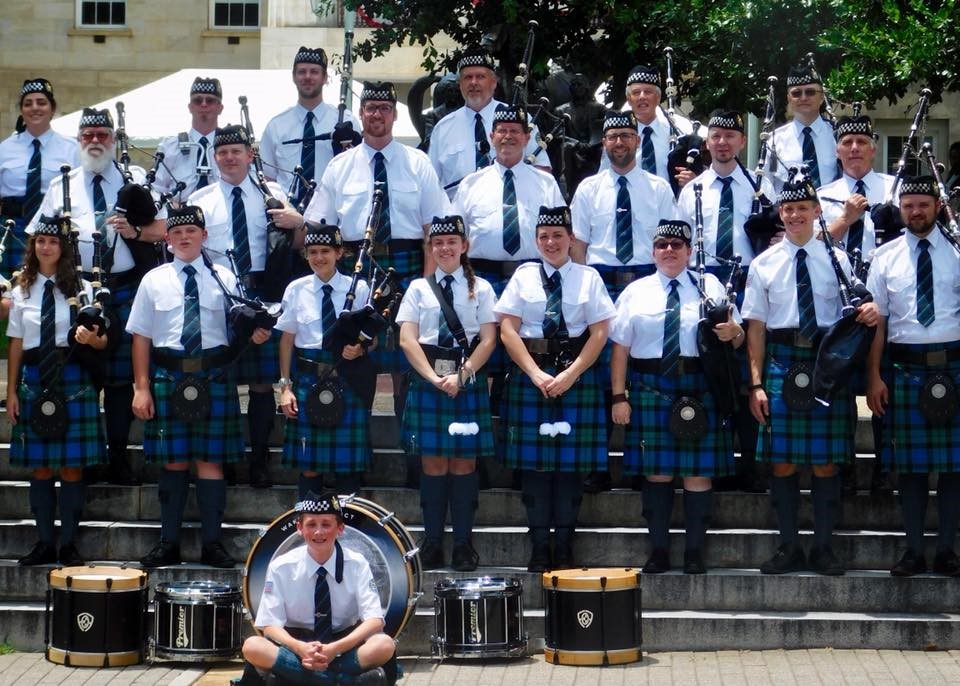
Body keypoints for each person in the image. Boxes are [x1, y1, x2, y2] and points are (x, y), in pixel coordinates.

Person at [742, 172, 879, 576]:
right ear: (781, 215)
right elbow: (755, 330)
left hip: (825, 367)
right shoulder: (763, 264)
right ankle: (787, 547)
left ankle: (823, 548)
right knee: (782, 463)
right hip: (782, 363)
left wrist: (867, 311)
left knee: (826, 464)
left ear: (818, 212)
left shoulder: (838, 261)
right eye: (789, 209)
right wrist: (755, 384)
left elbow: (855, 313)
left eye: (803, 208)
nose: (796, 215)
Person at [28, 107, 167, 486]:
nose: (95, 141)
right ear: (78, 140)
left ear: (113, 138)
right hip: (76, 293)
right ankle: (87, 457)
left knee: (122, 382)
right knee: (86, 374)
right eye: (87, 134)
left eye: (102, 134)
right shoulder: (63, 185)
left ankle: (119, 458)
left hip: (125, 289)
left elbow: (166, 229)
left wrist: (136, 230)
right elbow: (38, 236)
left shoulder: (135, 178)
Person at [128, 205, 272, 569]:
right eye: (177, 233)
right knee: (172, 463)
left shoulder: (224, 277)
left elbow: (240, 326)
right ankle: (168, 543)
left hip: (213, 377)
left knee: (211, 464)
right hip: (168, 376)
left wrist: (256, 331)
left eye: (192, 231)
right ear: (167, 238)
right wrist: (141, 387)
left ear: (205, 236)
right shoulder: (154, 280)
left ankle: (212, 543)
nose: (185, 237)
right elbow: (141, 337)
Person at [305, 81, 449, 442]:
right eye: (370, 108)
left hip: (406, 266)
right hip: (356, 266)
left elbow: (434, 228)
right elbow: (321, 226)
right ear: (361, 114)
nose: (377, 115)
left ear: (394, 115)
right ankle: (357, 439)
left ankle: (408, 442)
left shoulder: (418, 162)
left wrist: (427, 285)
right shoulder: (340, 166)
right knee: (356, 355)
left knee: (407, 359)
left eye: (384, 108)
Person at [610, 219, 744, 574]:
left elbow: (739, 337)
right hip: (651, 388)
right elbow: (620, 350)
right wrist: (618, 396)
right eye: (663, 244)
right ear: (653, 251)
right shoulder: (635, 292)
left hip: (700, 386)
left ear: (689, 251)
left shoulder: (709, 285)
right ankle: (658, 550)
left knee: (698, 475)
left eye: (677, 245)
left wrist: (734, 331)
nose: (670, 250)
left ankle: (695, 552)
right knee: (657, 473)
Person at [495, 205, 616, 572]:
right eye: (544, 236)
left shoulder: (588, 277)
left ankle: (564, 544)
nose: (551, 242)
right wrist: (534, 374)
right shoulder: (523, 276)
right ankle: (538, 546)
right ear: (536, 240)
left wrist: (573, 374)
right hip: (532, 373)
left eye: (558, 236)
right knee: (534, 470)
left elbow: (599, 333)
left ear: (571, 239)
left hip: (574, 373)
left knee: (569, 469)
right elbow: (507, 330)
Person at [190, 123, 306, 488]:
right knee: (218, 381)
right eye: (222, 152)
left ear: (249, 154)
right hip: (219, 293)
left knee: (260, 384)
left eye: (236, 151)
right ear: (215, 157)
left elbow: (297, 240)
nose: (229, 158)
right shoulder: (202, 200)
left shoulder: (272, 193)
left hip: (262, 291)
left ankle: (258, 461)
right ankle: (221, 461)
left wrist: (297, 219)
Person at [571, 108, 675, 494]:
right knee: (600, 378)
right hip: (601, 283)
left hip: (649, 281)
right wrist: (581, 293)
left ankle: (640, 462)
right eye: (612, 137)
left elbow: (672, 241)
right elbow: (579, 245)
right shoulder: (588, 189)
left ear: (638, 140)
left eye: (626, 136)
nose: (619, 142)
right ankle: (597, 464)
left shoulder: (659, 188)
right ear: (604, 142)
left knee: (641, 375)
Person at [674, 110, 776, 493]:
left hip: (751, 282)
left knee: (748, 372)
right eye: (716, 135)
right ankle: (716, 460)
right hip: (705, 285)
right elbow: (680, 241)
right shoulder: (691, 190)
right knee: (714, 371)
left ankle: (751, 464)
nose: (723, 142)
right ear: (707, 142)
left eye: (730, 135)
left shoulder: (761, 187)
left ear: (742, 142)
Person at [865, 176, 960, 577]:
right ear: (900, 209)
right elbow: (878, 324)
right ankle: (913, 550)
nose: (916, 212)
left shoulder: (957, 253)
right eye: (909, 206)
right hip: (903, 368)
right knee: (912, 468)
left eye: (923, 204)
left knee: (956, 469)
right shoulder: (884, 257)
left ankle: (947, 551)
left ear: (937, 206)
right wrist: (873, 377)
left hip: (954, 365)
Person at [396, 215, 497, 571]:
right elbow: (407, 339)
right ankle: (433, 542)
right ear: (431, 248)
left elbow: (489, 339)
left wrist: (463, 375)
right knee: (433, 462)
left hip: (465, 380)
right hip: (429, 380)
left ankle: (464, 545)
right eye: (438, 243)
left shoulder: (481, 288)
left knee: (464, 462)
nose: (444, 248)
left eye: (452, 242)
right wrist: (433, 378)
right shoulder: (418, 289)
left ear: (464, 246)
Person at [8, 214, 106, 566]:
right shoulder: (21, 288)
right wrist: (12, 392)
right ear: (33, 246)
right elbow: (16, 343)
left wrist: (92, 339)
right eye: (40, 241)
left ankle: (69, 544)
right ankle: (44, 542)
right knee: (40, 468)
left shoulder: (82, 288)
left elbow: (102, 340)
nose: (46, 247)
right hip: (34, 379)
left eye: (52, 242)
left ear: (63, 248)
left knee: (71, 468)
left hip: (72, 377)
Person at [235, 490, 397, 686]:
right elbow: (269, 624)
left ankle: (300, 678)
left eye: (326, 524)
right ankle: (340, 681)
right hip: (296, 645)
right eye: (311, 524)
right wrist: (300, 648)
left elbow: (374, 621)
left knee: (384, 644)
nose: (318, 532)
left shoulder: (357, 563)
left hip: (344, 644)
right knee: (253, 646)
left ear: (340, 529)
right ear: (299, 528)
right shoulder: (281, 566)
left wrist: (334, 649)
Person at [275, 222, 373, 501]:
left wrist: (361, 349)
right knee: (309, 466)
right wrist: (285, 387)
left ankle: (351, 532)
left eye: (326, 251)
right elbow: (286, 340)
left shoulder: (359, 288)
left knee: (348, 467)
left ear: (339, 253)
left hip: (347, 377)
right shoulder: (296, 289)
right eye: (313, 252)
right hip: (308, 378)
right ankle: (309, 531)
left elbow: (371, 336)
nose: (319, 257)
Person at [428, 46, 550, 198]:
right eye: (467, 77)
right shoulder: (443, 129)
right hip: (458, 213)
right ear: (460, 85)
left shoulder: (518, 119)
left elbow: (542, 170)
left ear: (493, 82)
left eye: (480, 77)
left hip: (510, 210)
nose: (473, 82)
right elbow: (431, 184)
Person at [260, 46, 361, 206]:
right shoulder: (276, 126)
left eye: (314, 71)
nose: (307, 77)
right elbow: (268, 178)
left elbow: (359, 171)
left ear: (325, 77)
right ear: (293, 77)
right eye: (301, 72)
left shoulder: (347, 122)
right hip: (287, 215)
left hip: (332, 214)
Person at [0, 78, 79, 275]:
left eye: (41, 102)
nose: (35, 108)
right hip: (12, 227)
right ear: (21, 110)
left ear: (52, 109)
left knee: (54, 287)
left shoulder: (72, 149)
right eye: (28, 103)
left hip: (55, 231)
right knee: (9, 290)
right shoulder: (4, 149)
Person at [600, 64, 695, 189]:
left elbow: (694, 172)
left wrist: (693, 179)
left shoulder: (679, 131)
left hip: (669, 205)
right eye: (636, 92)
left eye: (648, 92)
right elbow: (604, 177)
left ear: (658, 97)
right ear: (629, 99)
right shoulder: (617, 138)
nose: (642, 97)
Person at [820, 114, 895, 259]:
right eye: (847, 143)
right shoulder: (822, 196)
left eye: (861, 142)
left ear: (873, 150)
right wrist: (844, 220)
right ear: (837, 151)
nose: (854, 148)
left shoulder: (895, 189)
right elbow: (814, 245)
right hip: (837, 277)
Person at [152, 77, 224, 203]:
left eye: (210, 100)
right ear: (190, 107)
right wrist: (171, 207)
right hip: (180, 215)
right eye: (197, 100)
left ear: (220, 108)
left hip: (222, 216)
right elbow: (155, 188)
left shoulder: (230, 148)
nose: (203, 104)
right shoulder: (170, 147)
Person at [769, 64, 838, 189]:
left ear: (822, 97)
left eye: (810, 92)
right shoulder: (773, 141)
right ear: (789, 98)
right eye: (796, 93)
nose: (804, 98)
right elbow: (766, 186)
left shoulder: (837, 135)